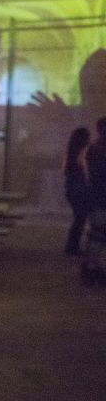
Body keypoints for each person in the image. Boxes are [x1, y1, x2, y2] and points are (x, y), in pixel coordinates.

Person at [82, 116, 106, 285]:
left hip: (96, 195)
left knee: (96, 233)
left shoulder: (94, 147)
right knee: (98, 234)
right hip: (101, 196)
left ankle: (91, 266)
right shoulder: (100, 149)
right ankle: (91, 267)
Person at [63, 127, 91, 255]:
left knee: (79, 217)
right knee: (80, 217)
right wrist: (88, 178)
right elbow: (82, 163)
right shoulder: (84, 149)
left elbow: (64, 169)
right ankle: (72, 246)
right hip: (79, 187)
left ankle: (72, 245)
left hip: (70, 186)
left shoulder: (70, 150)